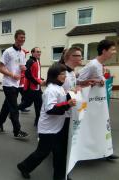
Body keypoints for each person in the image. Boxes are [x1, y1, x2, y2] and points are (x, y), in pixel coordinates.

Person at [17, 63, 76, 180]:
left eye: (65, 73)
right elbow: (51, 110)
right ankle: (24, 166)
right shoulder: (51, 90)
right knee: (42, 153)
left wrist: (72, 95)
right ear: (55, 75)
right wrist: (67, 104)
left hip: (58, 127)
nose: (65, 76)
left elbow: (62, 100)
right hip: (48, 129)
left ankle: (60, 176)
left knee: (60, 154)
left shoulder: (59, 87)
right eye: (62, 74)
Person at [77, 39, 118, 160]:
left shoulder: (100, 65)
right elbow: (77, 80)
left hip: (98, 104)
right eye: (112, 50)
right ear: (104, 51)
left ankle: (106, 152)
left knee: (101, 127)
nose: (114, 52)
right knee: (88, 130)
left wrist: (104, 80)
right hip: (88, 105)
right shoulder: (93, 64)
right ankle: (79, 154)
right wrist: (93, 82)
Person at [0, 29, 28, 138]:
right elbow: (0, 68)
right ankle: (17, 131)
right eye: (20, 37)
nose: (22, 39)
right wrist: (12, 75)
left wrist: (24, 68)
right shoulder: (8, 51)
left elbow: (21, 66)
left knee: (7, 105)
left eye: (24, 37)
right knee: (14, 107)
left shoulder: (23, 53)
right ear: (15, 38)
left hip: (17, 84)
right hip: (8, 84)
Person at [59, 46, 83, 180]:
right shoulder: (63, 73)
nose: (81, 58)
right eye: (78, 55)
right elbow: (58, 94)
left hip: (70, 113)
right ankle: (63, 173)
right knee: (54, 146)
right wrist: (73, 93)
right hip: (61, 114)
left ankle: (63, 171)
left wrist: (78, 88)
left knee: (61, 145)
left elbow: (71, 89)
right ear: (70, 57)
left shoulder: (73, 72)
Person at [18, 47, 45, 126]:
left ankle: (37, 122)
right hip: (31, 88)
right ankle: (13, 110)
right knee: (27, 104)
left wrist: (40, 78)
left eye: (40, 52)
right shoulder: (30, 61)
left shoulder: (37, 61)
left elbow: (35, 74)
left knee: (38, 105)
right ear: (32, 53)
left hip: (37, 88)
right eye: (37, 52)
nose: (39, 53)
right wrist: (38, 81)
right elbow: (28, 74)